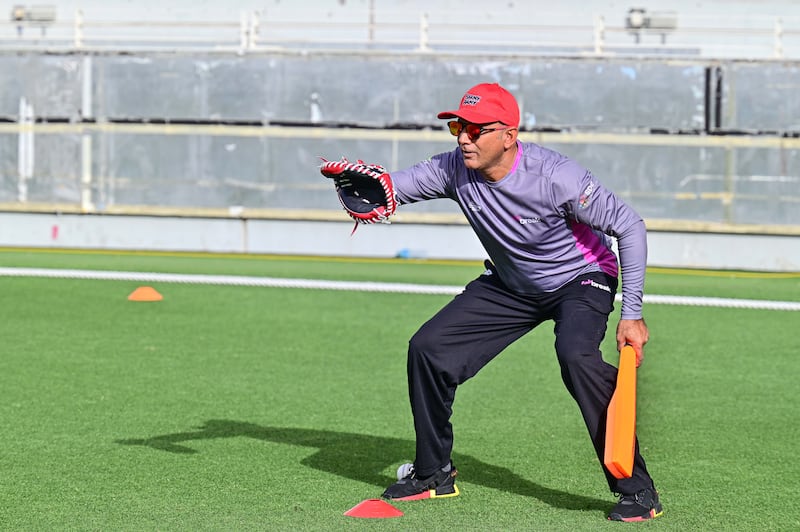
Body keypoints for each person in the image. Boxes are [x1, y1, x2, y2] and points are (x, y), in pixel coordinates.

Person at [368, 82, 661, 521]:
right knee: (428, 349)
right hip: (511, 284)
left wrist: (632, 313)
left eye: (475, 129)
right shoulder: (453, 168)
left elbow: (629, 226)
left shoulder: (555, 176)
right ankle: (433, 474)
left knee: (577, 357)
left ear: (508, 135)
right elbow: (394, 187)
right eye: (457, 127)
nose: (464, 137)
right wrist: (370, 187)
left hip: (580, 278)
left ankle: (637, 491)